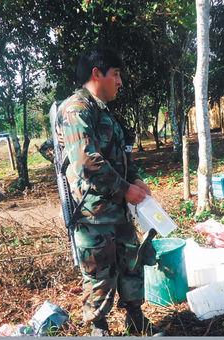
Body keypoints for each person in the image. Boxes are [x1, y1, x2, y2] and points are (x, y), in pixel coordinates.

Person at [55, 48, 159, 336]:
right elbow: (87, 162)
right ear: (96, 73)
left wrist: (136, 181)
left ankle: (135, 319)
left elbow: (120, 156)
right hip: (94, 213)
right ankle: (99, 328)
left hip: (118, 210)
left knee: (131, 264)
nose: (120, 82)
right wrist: (125, 189)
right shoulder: (76, 109)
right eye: (116, 74)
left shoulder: (103, 111)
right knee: (99, 275)